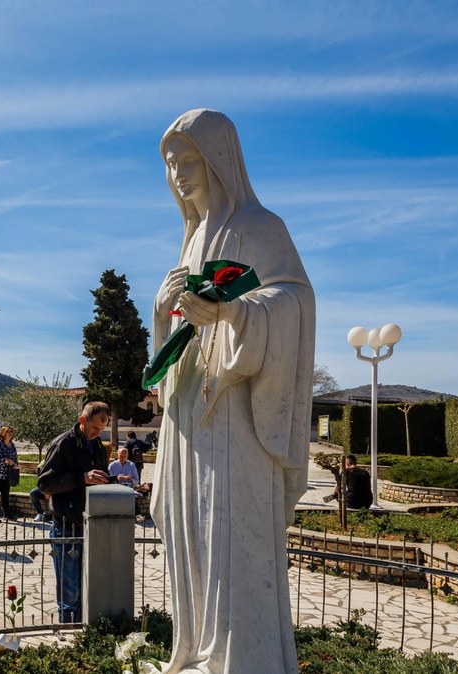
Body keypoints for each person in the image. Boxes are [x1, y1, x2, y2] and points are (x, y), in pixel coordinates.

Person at [151, 109, 314, 674]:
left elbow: (294, 300)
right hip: (192, 416)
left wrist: (234, 312)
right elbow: (177, 331)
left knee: (234, 543)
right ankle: (197, 650)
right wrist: (163, 308)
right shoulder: (191, 239)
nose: (178, 174)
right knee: (192, 532)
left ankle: (243, 659)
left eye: (188, 160)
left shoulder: (260, 226)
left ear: (219, 160)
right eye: (170, 164)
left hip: (238, 417)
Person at [37, 401, 110, 622]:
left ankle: (84, 631)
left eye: (101, 430)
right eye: (94, 428)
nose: (97, 434)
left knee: (88, 585)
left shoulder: (97, 446)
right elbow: (45, 484)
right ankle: (69, 632)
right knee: (69, 591)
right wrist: (81, 478)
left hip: (90, 524)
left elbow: (99, 475)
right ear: (82, 420)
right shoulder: (63, 445)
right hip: (65, 526)